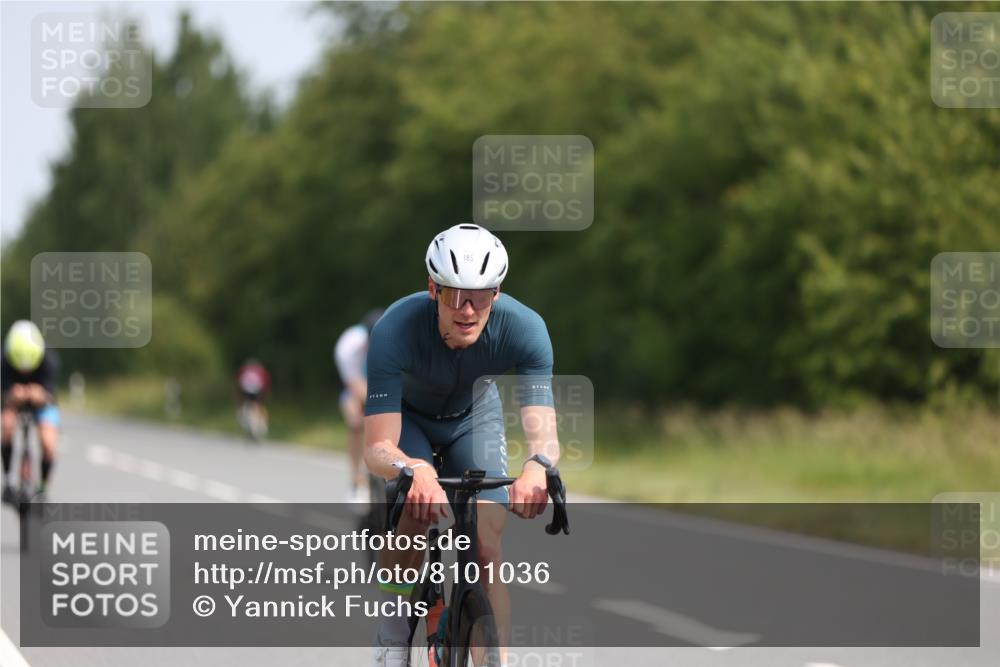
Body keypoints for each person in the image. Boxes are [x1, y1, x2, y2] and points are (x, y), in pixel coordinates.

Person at [365, 224, 560, 667]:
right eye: (454, 295)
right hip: (408, 425)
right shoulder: (396, 327)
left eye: (481, 296)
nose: (468, 309)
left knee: (486, 547)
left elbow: (543, 432)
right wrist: (411, 467)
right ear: (432, 289)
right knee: (414, 515)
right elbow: (376, 446)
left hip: (473, 419)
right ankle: (393, 634)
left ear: (497, 292)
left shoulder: (526, 328)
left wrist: (538, 465)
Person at [1, 320, 60, 502]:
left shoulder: (49, 360)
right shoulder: (3, 360)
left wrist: (40, 395)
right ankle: (10, 480)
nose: (25, 372)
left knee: (48, 442)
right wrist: (11, 395)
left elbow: (51, 396)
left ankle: (43, 487)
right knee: (7, 427)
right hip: (13, 401)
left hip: (41, 402)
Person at [334, 308, 384, 506]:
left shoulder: (398, 339)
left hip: (384, 381)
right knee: (355, 420)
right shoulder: (348, 345)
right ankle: (357, 480)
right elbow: (354, 385)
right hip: (357, 385)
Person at [235, 358, 271, 438]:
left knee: (247, 407)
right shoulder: (261, 371)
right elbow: (265, 384)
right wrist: (266, 395)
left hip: (246, 391)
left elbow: (239, 383)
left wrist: (238, 398)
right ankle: (261, 424)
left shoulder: (244, 370)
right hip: (258, 391)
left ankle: (252, 426)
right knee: (258, 406)